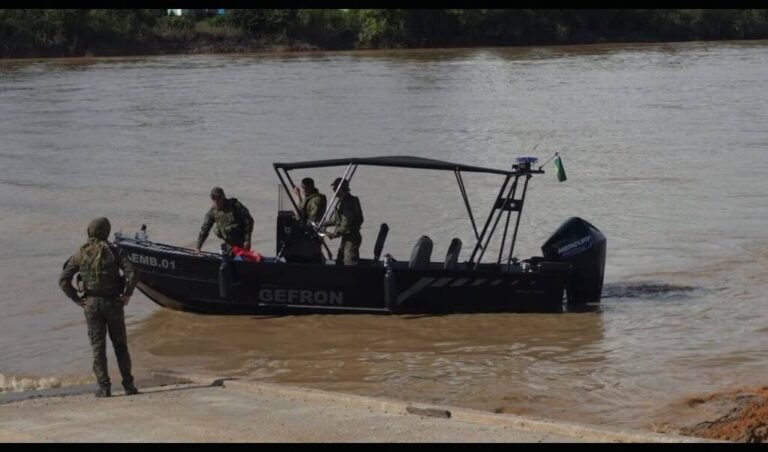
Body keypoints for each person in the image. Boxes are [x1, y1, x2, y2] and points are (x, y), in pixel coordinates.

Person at [58, 217, 139, 398]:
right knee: (120, 346)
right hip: (113, 303)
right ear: (107, 231)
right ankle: (128, 385)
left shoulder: (81, 253)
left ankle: (104, 387)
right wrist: (127, 294)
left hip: (92, 305)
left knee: (98, 347)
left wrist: (77, 300)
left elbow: (64, 280)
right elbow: (132, 272)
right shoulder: (115, 251)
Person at [196, 186, 254, 253]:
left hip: (242, 243)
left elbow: (249, 221)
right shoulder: (212, 213)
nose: (216, 201)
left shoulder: (234, 205)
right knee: (225, 259)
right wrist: (198, 247)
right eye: (213, 199)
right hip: (228, 245)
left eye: (218, 198)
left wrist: (247, 240)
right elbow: (204, 230)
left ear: (223, 197)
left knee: (241, 260)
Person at [323, 178, 364, 265]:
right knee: (340, 261)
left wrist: (336, 233)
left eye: (335, 187)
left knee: (349, 262)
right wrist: (322, 223)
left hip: (351, 237)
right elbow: (337, 220)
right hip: (346, 237)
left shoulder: (347, 202)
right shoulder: (343, 200)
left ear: (340, 188)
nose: (333, 190)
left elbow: (347, 221)